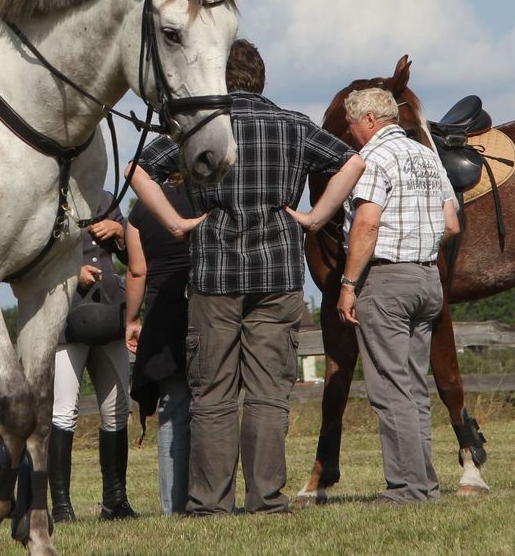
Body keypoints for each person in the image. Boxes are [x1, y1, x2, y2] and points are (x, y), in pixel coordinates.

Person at [128, 39, 365, 516]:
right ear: (262, 79)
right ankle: (267, 499)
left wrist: (175, 224)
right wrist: (316, 216)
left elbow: (137, 169)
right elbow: (355, 161)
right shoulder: (294, 126)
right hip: (278, 273)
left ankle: (210, 503)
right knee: (267, 393)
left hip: (214, 272)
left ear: (218, 78)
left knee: (212, 394)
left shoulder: (200, 129)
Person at [331, 86, 459, 505]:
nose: (350, 134)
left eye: (351, 125)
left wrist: (348, 284)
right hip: (427, 280)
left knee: (389, 388)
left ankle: (406, 488)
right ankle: (426, 485)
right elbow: (452, 225)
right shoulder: (426, 155)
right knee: (414, 387)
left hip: (387, 281)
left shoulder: (372, 159)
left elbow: (366, 225)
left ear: (369, 120)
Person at [49, 191, 139, 523]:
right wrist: (74, 271)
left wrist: (120, 233)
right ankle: (61, 507)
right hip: (67, 317)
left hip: (109, 314)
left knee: (116, 410)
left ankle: (115, 502)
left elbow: (135, 259)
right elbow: (33, 256)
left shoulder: (105, 198)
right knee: (64, 411)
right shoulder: (51, 197)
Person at [124, 174, 195, 516]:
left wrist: (132, 320)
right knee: (214, 406)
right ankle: (211, 498)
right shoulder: (204, 198)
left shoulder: (140, 212)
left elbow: (137, 271)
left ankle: (173, 506)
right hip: (202, 303)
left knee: (172, 407)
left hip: (162, 313)